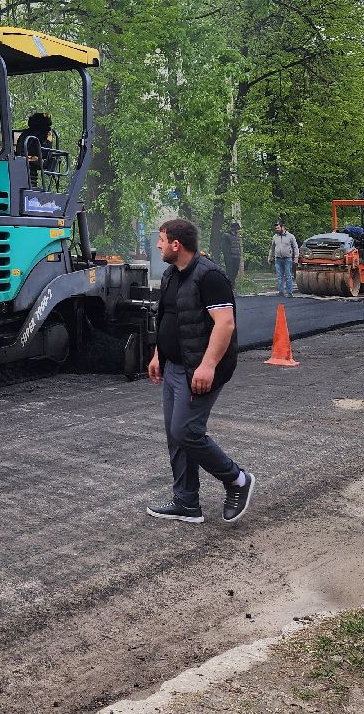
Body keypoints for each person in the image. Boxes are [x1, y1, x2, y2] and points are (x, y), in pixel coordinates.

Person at [146, 218, 255, 525]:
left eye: (162, 240)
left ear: (176, 245)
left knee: (186, 431)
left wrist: (207, 365)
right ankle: (186, 502)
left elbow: (225, 324)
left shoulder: (210, 277)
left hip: (201, 369)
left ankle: (237, 480)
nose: (158, 245)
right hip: (173, 366)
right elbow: (167, 318)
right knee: (175, 434)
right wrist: (158, 354)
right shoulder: (170, 274)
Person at [14, 111, 54, 186]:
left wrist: (35, 157)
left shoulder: (47, 133)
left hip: (37, 158)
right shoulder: (26, 133)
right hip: (24, 157)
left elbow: (46, 150)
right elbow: (20, 149)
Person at [269, 222, 299, 297]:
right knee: (279, 276)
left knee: (288, 275)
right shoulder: (275, 237)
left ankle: (289, 292)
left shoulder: (290, 236)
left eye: (278, 228)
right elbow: (272, 248)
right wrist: (270, 257)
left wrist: (296, 257)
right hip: (278, 259)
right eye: (276, 228)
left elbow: (295, 247)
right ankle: (281, 291)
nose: (276, 229)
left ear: (283, 227)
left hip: (287, 258)